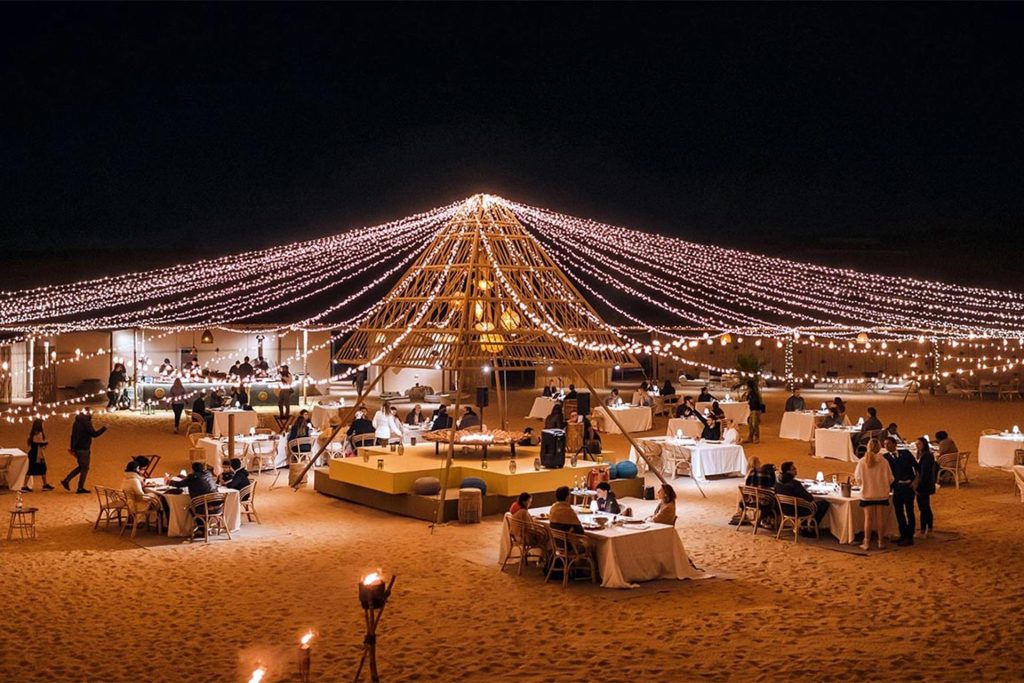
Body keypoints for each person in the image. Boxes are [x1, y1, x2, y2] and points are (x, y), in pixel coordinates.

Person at [855, 438, 893, 550]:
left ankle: (866, 542)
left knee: (868, 519)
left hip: (867, 494)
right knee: (880, 518)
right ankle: (881, 541)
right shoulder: (884, 462)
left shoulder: (862, 462)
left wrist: (863, 485)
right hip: (881, 493)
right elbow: (890, 478)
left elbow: (858, 478)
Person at [883, 436, 919, 546]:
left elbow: (917, 467)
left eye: (888, 444)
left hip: (908, 486)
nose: (886, 446)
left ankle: (910, 536)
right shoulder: (885, 458)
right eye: (884, 444)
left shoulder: (906, 453)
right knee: (899, 512)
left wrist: (915, 482)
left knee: (909, 511)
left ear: (894, 444)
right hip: (897, 488)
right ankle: (903, 534)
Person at [62, 408, 107, 494]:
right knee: (85, 468)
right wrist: (104, 428)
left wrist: (72, 447)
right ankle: (80, 487)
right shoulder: (86, 422)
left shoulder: (77, 421)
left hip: (77, 447)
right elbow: (94, 434)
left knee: (81, 467)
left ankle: (67, 480)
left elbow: (72, 435)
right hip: (83, 448)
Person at [775, 461, 830, 527]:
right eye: (793, 469)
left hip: (783, 509)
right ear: (788, 471)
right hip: (797, 510)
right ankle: (811, 527)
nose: (796, 470)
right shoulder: (794, 483)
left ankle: (805, 526)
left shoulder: (778, 483)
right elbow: (809, 498)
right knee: (824, 503)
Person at [914, 436, 936, 538]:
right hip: (926, 485)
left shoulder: (926, 456)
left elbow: (924, 474)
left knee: (923, 508)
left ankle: (924, 530)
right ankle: (929, 529)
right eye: (916, 444)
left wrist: (918, 487)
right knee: (926, 507)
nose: (917, 446)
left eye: (919, 444)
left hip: (924, 486)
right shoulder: (924, 455)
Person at [23, 418, 53, 492]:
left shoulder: (33, 433)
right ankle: (25, 486)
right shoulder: (38, 433)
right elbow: (39, 443)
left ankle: (45, 484)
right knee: (32, 469)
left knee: (41, 468)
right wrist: (46, 442)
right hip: (36, 455)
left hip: (34, 453)